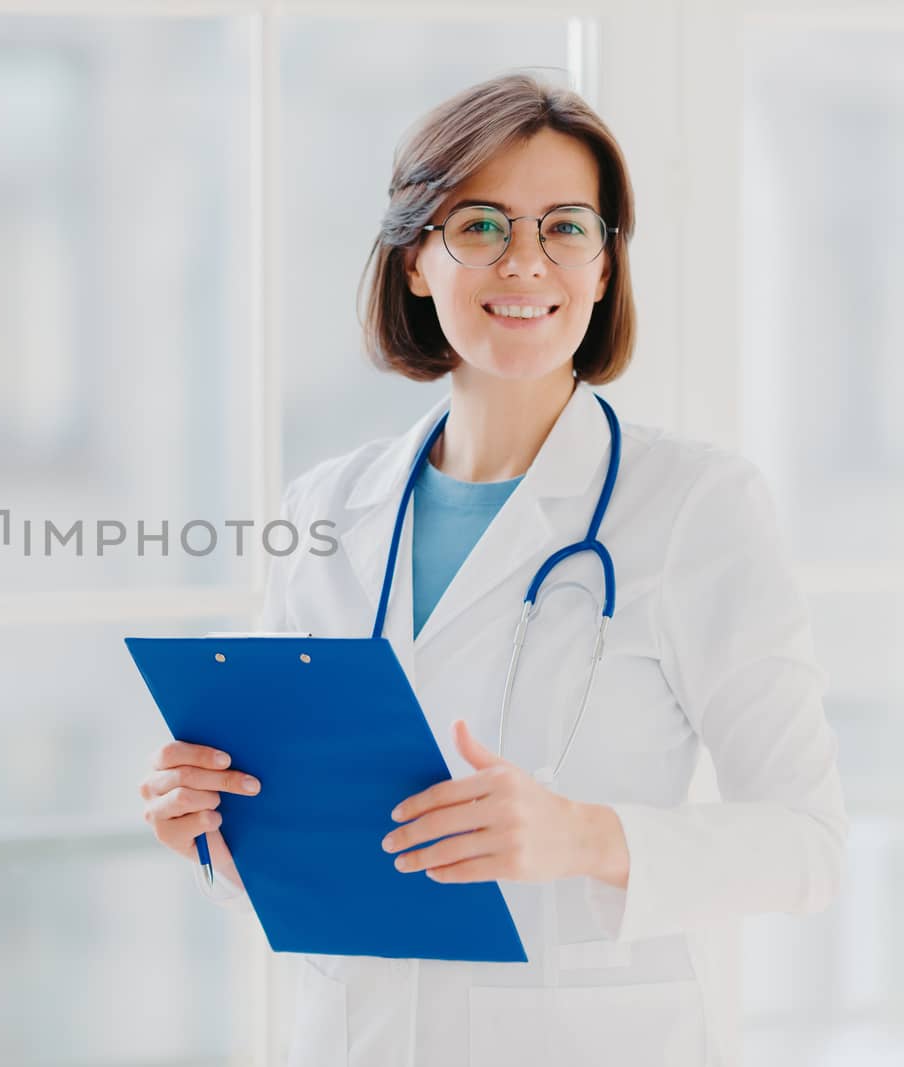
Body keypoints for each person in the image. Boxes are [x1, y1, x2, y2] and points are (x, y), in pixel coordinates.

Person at [136, 71, 846, 1067]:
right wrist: (212, 830)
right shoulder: (328, 510)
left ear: (603, 269)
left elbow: (806, 844)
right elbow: (307, 835)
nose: (525, 261)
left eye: (566, 227)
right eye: (480, 225)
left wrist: (582, 834)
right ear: (417, 258)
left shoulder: (697, 506)